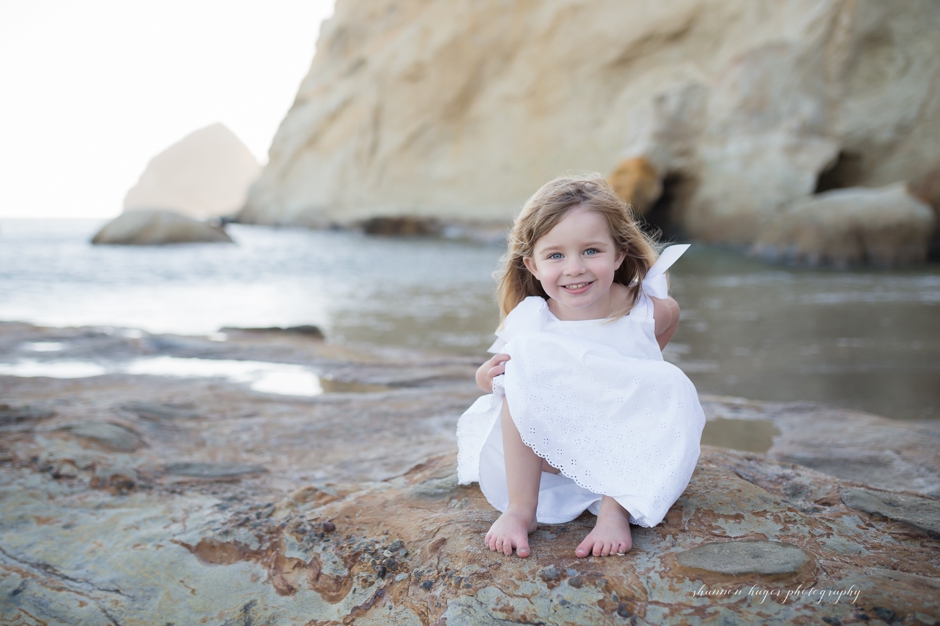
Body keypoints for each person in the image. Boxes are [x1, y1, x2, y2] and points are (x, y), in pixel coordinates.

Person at [456, 174, 705, 559]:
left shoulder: (647, 311)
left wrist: (637, 373)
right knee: (523, 369)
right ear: (532, 266)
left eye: (591, 251)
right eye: (555, 255)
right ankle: (522, 508)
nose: (574, 268)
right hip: (552, 455)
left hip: (621, 451)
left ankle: (614, 509)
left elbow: (661, 340)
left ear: (619, 254)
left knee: (668, 383)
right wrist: (484, 377)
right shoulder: (532, 317)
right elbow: (497, 373)